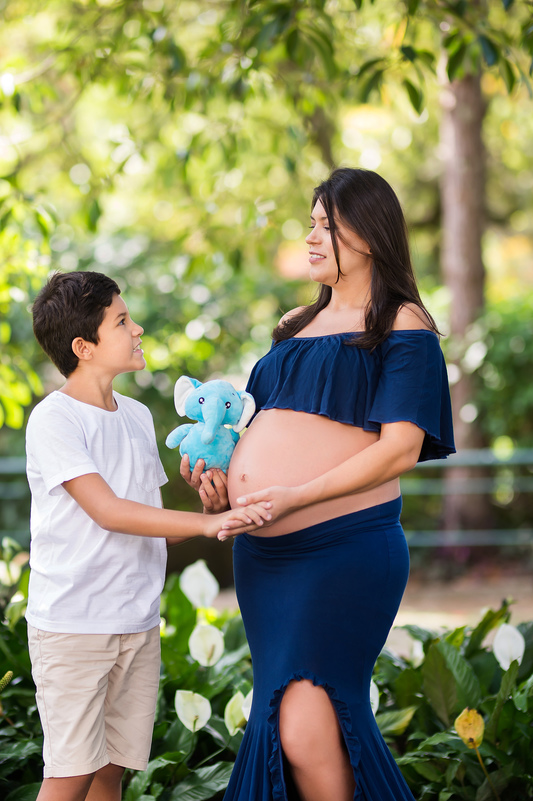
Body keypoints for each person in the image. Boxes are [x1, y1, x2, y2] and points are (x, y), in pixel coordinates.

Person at [183, 168, 455, 801]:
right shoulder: (292, 324)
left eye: (325, 227)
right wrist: (222, 485)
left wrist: (296, 496)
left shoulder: (402, 322)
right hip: (264, 556)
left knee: (307, 726)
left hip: (344, 550)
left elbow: (400, 449)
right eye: (310, 223)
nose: (311, 238)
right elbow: (260, 430)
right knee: (289, 724)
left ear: (368, 236)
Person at [25, 270, 273, 801]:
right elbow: (110, 512)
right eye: (121, 321)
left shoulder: (136, 417)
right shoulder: (54, 421)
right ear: (82, 346)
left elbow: (148, 526)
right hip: (75, 624)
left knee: (112, 772)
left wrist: (211, 506)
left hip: (135, 620)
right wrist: (207, 525)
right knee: (69, 777)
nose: (137, 329)